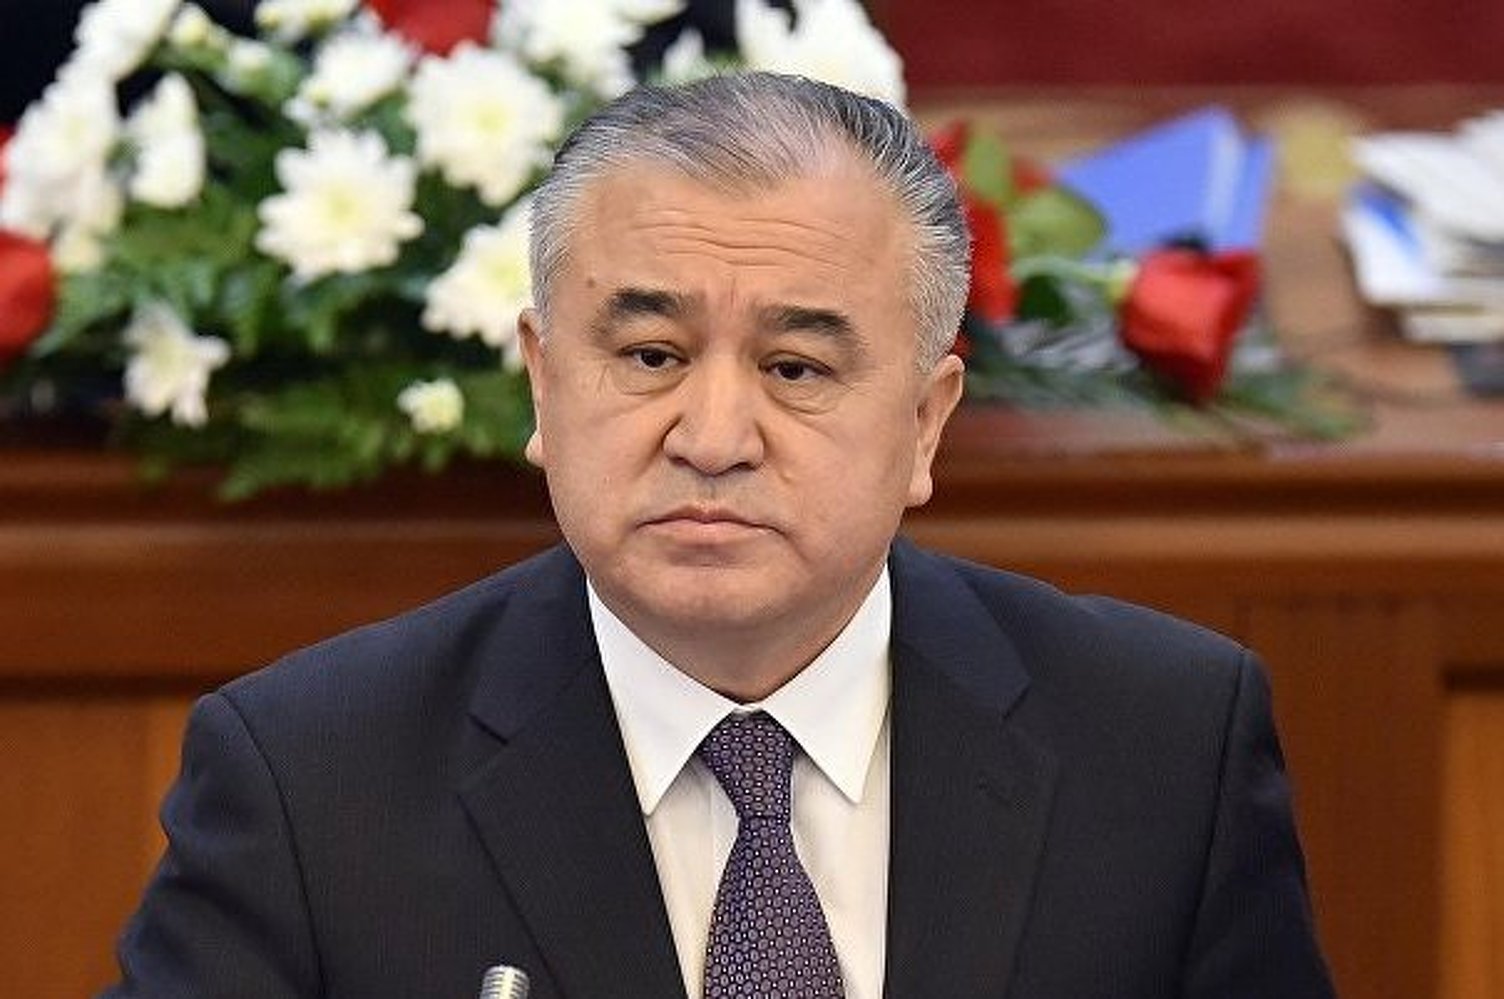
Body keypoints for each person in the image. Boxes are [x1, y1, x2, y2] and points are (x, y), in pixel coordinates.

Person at [102, 73, 1334, 999]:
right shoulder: (311, 782)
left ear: (924, 422)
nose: (712, 436)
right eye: (650, 356)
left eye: (795, 368)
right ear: (543, 382)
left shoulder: (1165, 747)